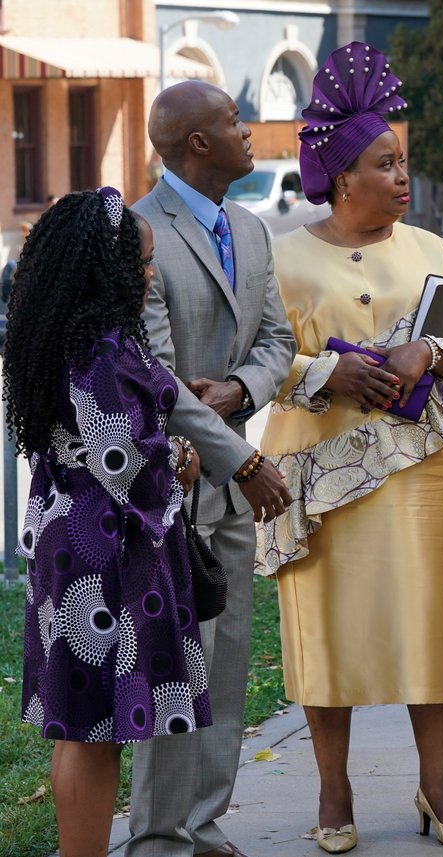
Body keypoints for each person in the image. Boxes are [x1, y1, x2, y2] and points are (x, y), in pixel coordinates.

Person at [256, 42, 443, 853]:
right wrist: (327, 373)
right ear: (340, 175)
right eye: (386, 164)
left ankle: (438, 787)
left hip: (423, 474)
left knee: (426, 625)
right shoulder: (282, 256)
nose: (402, 178)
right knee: (327, 629)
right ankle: (334, 792)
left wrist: (431, 355)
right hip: (319, 476)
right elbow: (253, 361)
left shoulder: (434, 251)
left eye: (404, 163)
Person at [5, 188, 207, 857]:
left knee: (77, 722)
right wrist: (178, 456)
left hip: (69, 539)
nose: (149, 275)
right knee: (95, 728)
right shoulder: (103, 348)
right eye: (140, 263)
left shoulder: (63, 335)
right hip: (105, 550)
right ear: (106, 268)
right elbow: (127, 460)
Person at [129, 80, 297, 857]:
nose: (248, 129)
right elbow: (157, 376)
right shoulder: (139, 232)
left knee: (225, 661)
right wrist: (248, 456)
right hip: (171, 488)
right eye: (234, 121)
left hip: (231, 487)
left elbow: (278, 343)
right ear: (198, 143)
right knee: (171, 667)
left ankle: (203, 823)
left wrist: (239, 388)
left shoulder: (252, 229)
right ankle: (158, 836)